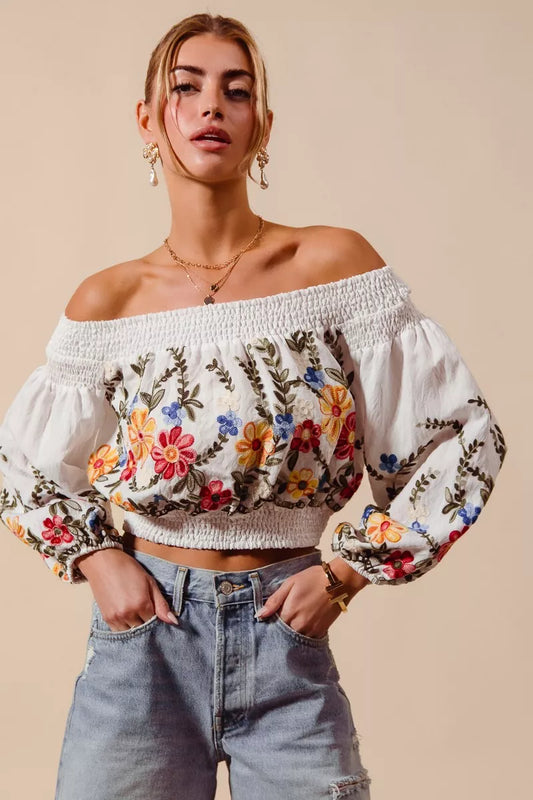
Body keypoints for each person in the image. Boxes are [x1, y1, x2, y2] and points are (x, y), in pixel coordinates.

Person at [0, 12, 507, 800]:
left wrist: (344, 573)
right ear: (147, 119)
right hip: (147, 645)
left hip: (285, 642)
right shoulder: (110, 300)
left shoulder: (333, 266)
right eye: (186, 88)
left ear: (262, 127)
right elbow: (24, 467)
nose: (212, 106)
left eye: (236, 92)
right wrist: (99, 560)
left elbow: (459, 441)